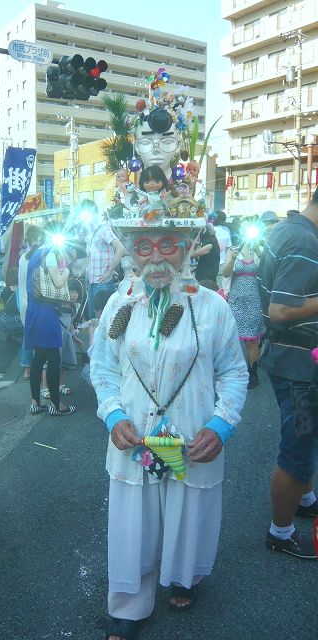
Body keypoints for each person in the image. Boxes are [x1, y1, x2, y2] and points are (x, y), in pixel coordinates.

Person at [90, 201, 248, 639]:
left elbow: (234, 371)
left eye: (167, 246)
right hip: (135, 434)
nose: (156, 257)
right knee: (132, 519)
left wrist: (221, 424)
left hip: (190, 432)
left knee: (189, 508)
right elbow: (102, 367)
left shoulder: (213, 307)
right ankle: (129, 603)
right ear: (131, 252)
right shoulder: (118, 305)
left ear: (186, 248)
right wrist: (113, 414)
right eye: (144, 246)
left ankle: (185, 577)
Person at [258, 191, 318, 560]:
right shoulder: (303, 239)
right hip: (298, 366)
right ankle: (281, 532)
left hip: (291, 358)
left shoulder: (291, 229)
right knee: (298, 448)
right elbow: (280, 308)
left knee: (306, 438)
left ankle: (305, 498)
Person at [25, 229, 76, 417]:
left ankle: (35, 402)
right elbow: (59, 281)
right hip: (45, 311)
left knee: (38, 357)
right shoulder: (50, 255)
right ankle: (56, 404)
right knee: (54, 358)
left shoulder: (33, 255)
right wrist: (67, 270)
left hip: (33, 310)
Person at [222, 239, 264, 389]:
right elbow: (225, 274)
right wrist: (232, 258)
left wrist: (261, 254)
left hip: (255, 302)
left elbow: (267, 272)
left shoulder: (260, 249)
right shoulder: (233, 251)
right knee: (232, 339)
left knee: (252, 341)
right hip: (235, 302)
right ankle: (233, 372)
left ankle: (253, 373)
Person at [85, 199, 128, 318]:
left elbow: (120, 248)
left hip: (103, 284)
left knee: (105, 320)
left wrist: (109, 270)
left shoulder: (104, 229)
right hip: (91, 283)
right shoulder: (90, 234)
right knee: (93, 321)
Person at [18, 225, 44, 379]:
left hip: (24, 302)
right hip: (35, 302)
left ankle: (28, 368)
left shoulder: (23, 257)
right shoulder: (37, 257)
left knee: (29, 335)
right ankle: (34, 368)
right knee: (37, 336)